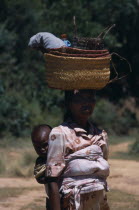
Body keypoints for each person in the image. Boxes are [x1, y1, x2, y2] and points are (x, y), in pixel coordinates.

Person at [46, 89, 110, 210]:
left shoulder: (101, 135)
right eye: (80, 99)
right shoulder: (60, 133)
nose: (87, 103)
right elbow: (52, 179)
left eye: (90, 99)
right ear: (69, 104)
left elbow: (101, 172)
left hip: (98, 203)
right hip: (72, 203)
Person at [31, 124, 60, 210]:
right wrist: (50, 177)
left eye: (45, 145)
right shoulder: (40, 161)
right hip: (52, 197)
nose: (42, 149)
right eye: (37, 147)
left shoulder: (61, 156)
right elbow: (39, 179)